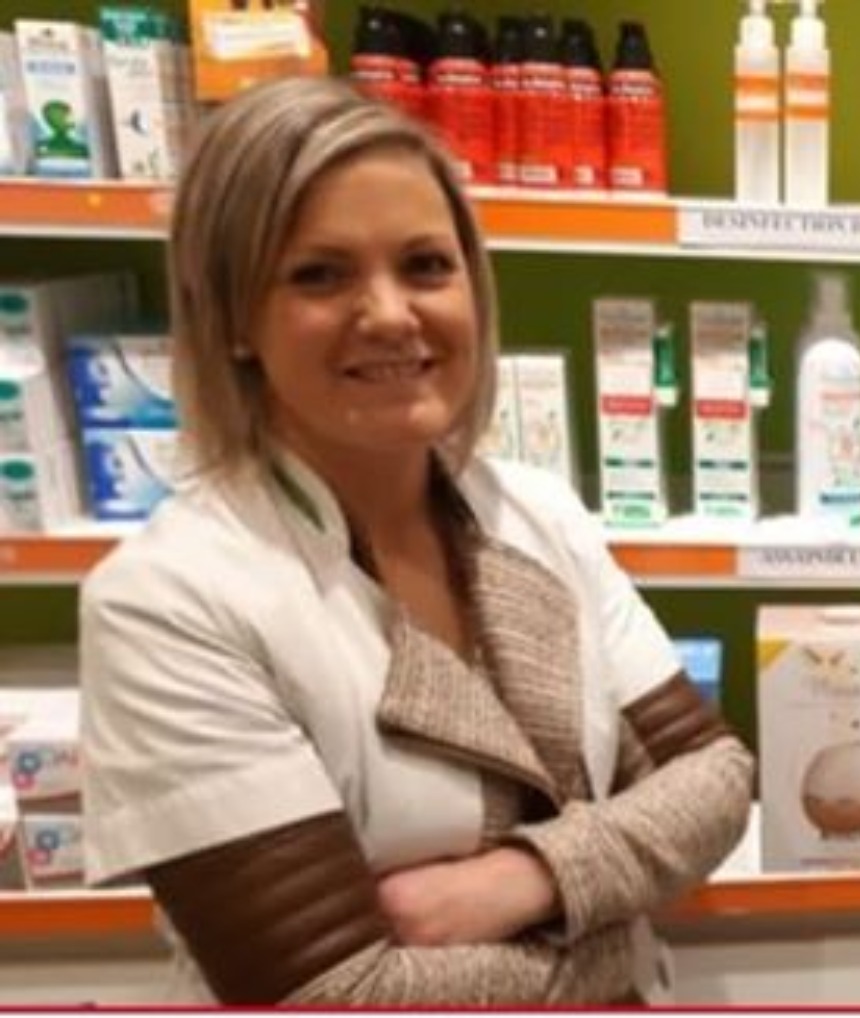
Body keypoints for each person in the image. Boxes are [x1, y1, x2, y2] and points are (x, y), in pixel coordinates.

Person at [80, 75, 753, 1006]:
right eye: (320, 274)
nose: (391, 314)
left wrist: (535, 875)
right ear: (232, 317)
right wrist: (617, 941)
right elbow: (331, 992)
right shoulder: (171, 601)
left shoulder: (535, 514)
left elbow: (714, 778)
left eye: (426, 266)